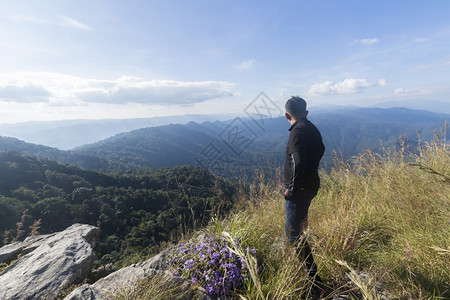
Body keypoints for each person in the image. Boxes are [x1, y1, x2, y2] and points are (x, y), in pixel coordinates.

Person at [283, 96, 325, 289]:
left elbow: (296, 163)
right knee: (299, 226)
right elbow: (321, 149)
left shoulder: (296, 133)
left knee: (293, 233)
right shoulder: (311, 128)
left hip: (300, 190)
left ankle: (313, 280)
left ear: (286, 115)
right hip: (311, 184)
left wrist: (292, 190)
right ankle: (310, 273)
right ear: (306, 113)